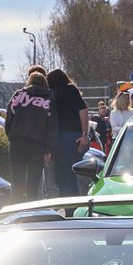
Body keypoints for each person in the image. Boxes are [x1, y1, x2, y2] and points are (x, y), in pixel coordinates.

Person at [5, 71, 57, 202]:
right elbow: (52, 125)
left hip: (18, 143)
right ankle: (31, 213)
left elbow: (9, 118)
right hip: (38, 145)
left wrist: (11, 136)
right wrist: (49, 149)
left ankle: (14, 211)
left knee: (17, 181)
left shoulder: (18, 95)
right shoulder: (49, 99)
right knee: (33, 183)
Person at [46, 68, 89, 197]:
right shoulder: (71, 90)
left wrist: (84, 135)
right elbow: (83, 110)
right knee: (70, 177)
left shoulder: (59, 93)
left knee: (61, 178)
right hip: (74, 137)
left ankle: (71, 209)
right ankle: (74, 208)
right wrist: (84, 135)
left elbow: (83, 110)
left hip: (64, 138)